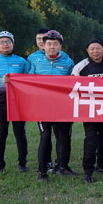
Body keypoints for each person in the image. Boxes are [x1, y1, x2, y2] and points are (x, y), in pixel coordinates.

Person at [29, 30, 75, 182]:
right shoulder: (36, 62)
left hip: (62, 107)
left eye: (55, 44)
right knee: (45, 137)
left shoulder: (68, 62)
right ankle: (42, 171)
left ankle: (62, 167)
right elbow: (26, 81)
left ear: (60, 46)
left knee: (64, 138)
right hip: (42, 107)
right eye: (49, 44)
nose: (52, 47)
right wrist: (10, 80)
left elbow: (74, 84)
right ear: (44, 45)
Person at [72, 39, 103, 183]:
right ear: (87, 51)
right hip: (89, 109)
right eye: (92, 49)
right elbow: (72, 86)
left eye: (98, 48)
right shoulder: (80, 67)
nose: (95, 51)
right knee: (91, 139)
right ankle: (88, 170)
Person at [0, 31, 29, 173]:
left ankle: (22, 163)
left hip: (18, 104)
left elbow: (29, 82)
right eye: (2, 42)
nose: (5, 44)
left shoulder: (22, 61)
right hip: (0, 105)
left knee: (20, 133)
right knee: (1, 134)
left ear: (13, 44)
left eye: (8, 41)